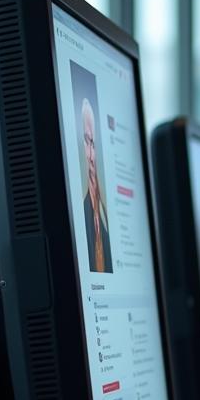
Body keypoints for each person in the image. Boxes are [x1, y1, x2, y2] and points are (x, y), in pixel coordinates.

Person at [80, 97, 113, 274]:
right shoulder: (80, 214)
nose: (91, 155)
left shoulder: (107, 216)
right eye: (86, 141)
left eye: (93, 143)